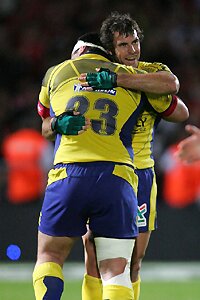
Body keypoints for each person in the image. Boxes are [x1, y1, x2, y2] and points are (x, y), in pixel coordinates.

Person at [32, 32, 156, 300]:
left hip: (68, 176)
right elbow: (173, 94)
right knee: (116, 271)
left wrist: (56, 124)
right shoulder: (129, 76)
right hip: (116, 178)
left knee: (49, 255)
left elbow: (44, 123)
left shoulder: (56, 73)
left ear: (78, 51)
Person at [78, 12, 189, 300]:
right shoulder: (99, 77)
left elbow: (174, 90)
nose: (133, 50)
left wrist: (124, 81)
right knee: (93, 254)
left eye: (135, 42)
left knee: (134, 261)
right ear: (111, 50)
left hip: (140, 175)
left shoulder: (149, 72)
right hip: (105, 172)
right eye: (124, 45)